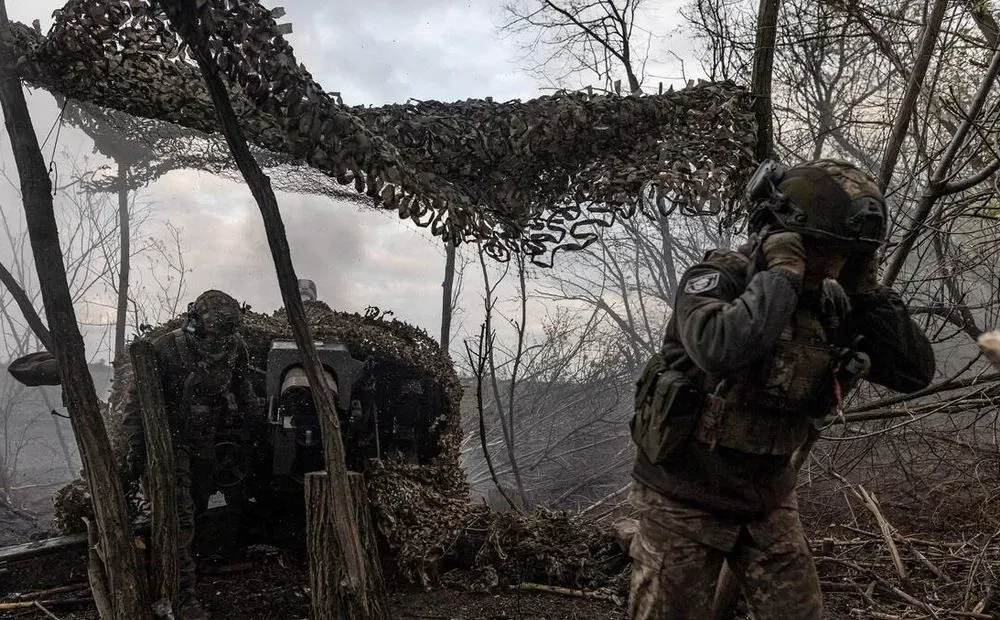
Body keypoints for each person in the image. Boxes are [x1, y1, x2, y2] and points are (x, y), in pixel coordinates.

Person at [628, 159, 936, 619]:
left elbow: (913, 371)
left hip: (766, 501)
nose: (831, 264)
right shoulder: (718, 280)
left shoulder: (831, 301)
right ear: (785, 235)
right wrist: (781, 276)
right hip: (684, 499)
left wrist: (868, 293)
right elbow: (721, 349)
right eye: (820, 248)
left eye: (844, 253)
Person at [123, 289, 260, 620]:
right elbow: (137, 407)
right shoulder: (166, 349)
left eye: (227, 335)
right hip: (169, 442)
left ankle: (189, 571)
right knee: (178, 515)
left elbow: (245, 394)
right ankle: (181, 596)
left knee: (196, 509)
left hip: (205, 441)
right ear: (197, 324)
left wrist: (260, 433)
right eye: (215, 334)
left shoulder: (235, 347)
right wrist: (133, 454)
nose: (220, 344)